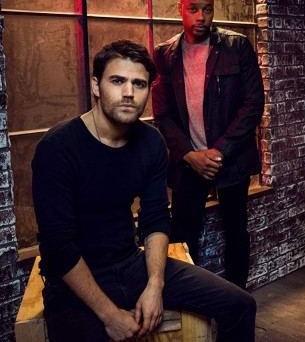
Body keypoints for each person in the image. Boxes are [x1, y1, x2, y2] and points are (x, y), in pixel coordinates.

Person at [32, 40, 256, 342]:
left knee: (240, 305)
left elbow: (156, 218)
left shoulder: (151, 142)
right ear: (96, 86)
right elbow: (58, 247)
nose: (129, 92)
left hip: (130, 264)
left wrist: (155, 285)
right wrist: (110, 316)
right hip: (75, 279)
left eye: (139, 84)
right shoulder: (57, 148)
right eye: (117, 81)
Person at [151, 0, 264, 289]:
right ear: (181, 9)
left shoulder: (237, 46)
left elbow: (253, 104)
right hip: (189, 161)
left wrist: (219, 152)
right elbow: (162, 113)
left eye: (207, 9)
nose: (201, 16)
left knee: (236, 232)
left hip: (231, 159)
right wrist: (190, 155)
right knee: (182, 234)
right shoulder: (164, 54)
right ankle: (187, 301)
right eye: (193, 9)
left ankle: (237, 300)